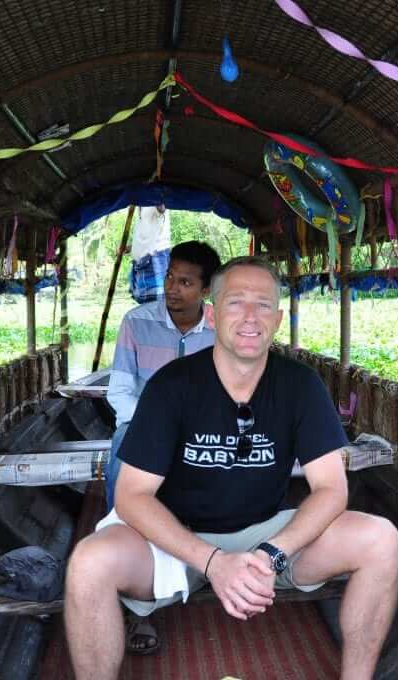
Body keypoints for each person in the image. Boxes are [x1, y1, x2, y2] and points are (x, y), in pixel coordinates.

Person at [65, 256, 398, 680]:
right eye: (235, 302)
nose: (249, 317)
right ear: (212, 313)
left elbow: (331, 489)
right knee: (88, 562)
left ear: (278, 319)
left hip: (266, 532)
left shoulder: (300, 385)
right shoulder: (172, 385)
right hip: (175, 539)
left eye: (263, 305)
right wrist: (213, 562)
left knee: (381, 539)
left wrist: (273, 552)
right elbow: (132, 496)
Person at [103, 238, 221, 655]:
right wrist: (156, 427)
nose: (172, 288)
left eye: (185, 282)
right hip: (144, 426)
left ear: (206, 290)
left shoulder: (222, 329)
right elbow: (119, 390)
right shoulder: (137, 323)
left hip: (206, 430)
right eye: (171, 277)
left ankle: (223, 556)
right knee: (120, 449)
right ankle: (135, 592)